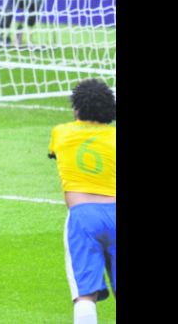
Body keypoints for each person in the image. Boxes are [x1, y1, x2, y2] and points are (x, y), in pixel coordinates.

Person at [48, 79, 116, 324]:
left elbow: (55, 154)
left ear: (77, 108)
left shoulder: (61, 132)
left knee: (85, 295)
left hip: (83, 217)